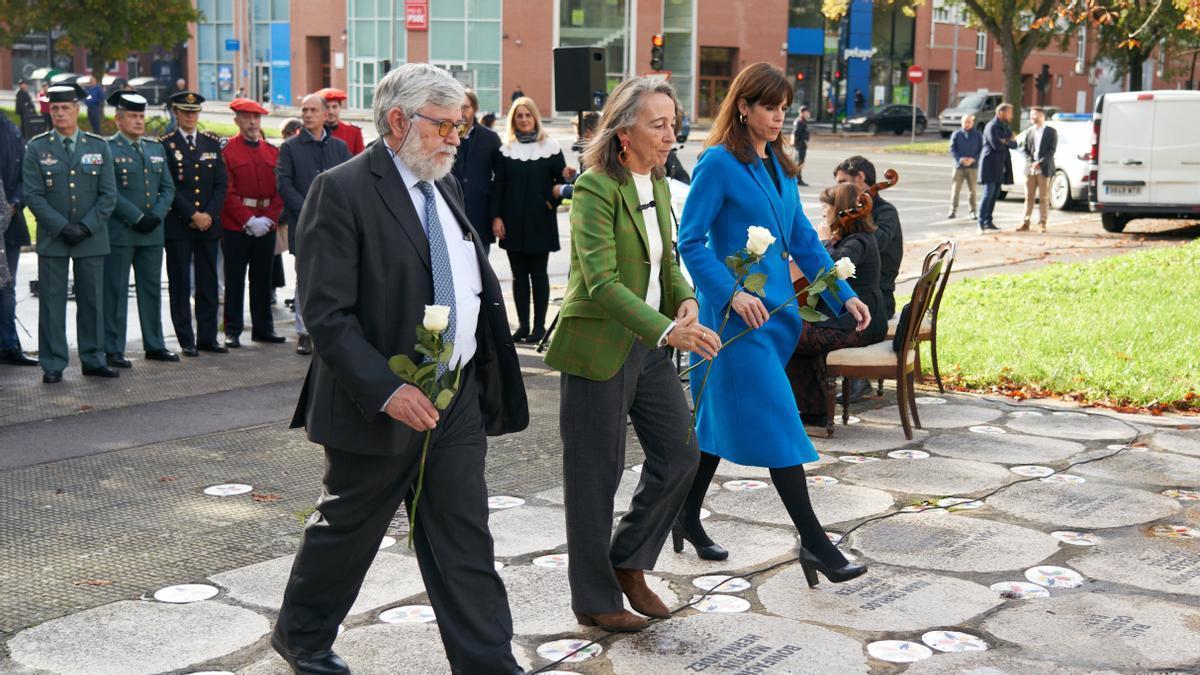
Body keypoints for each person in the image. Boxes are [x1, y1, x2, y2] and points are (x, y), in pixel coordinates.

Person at [273, 62, 529, 675]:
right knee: (349, 529)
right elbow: (326, 313)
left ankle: (487, 661)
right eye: (444, 126)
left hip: (455, 394)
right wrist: (387, 390)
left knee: (464, 532)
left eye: (459, 127)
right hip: (379, 401)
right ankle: (301, 636)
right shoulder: (342, 189)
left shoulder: (443, 180)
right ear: (397, 120)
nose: (455, 139)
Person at [676, 63, 869, 587]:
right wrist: (732, 294)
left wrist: (844, 295)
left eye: (784, 106)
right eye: (769, 106)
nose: (780, 115)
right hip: (732, 326)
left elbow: (804, 239)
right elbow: (690, 242)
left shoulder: (782, 165)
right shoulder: (717, 163)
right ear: (743, 107)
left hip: (776, 321)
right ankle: (816, 545)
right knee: (782, 425)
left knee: (716, 425)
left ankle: (685, 514)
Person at [543, 77, 720, 634]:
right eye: (659, 124)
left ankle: (627, 560)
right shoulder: (595, 187)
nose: (672, 135)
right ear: (624, 132)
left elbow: (665, 260)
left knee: (681, 454)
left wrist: (685, 298)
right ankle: (593, 598)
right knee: (595, 475)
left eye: (674, 123)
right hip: (598, 346)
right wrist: (670, 332)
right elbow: (599, 283)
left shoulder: (660, 183)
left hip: (647, 345)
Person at [22, 83, 118, 383]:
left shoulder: (98, 145)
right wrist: (61, 226)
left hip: (91, 237)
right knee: (51, 303)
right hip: (55, 237)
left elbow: (108, 195)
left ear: (77, 110)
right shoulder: (37, 148)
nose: (60, 113)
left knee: (92, 300)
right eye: (55, 109)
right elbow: (33, 196)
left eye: (66, 108)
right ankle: (52, 363)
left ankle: (93, 358)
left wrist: (86, 226)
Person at [786, 183, 887, 425]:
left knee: (790, 336)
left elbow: (832, 272)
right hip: (848, 321)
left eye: (826, 207)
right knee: (795, 334)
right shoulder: (853, 238)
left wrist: (822, 241)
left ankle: (816, 412)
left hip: (860, 325)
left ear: (840, 210)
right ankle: (815, 410)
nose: (823, 213)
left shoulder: (859, 241)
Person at [101, 91, 178, 368]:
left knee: (152, 290)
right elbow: (109, 192)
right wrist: (136, 217)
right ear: (118, 120)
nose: (138, 121)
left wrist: (156, 215)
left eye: (141, 116)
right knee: (115, 291)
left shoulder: (155, 148)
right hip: (121, 232)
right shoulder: (108, 149)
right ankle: (113, 347)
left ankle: (155, 344)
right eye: (132, 116)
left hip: (152, 233)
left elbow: (167, 188)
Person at [490, 96, 572, 343]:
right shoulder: (505, 150)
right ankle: (523, 326)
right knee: (518, 276)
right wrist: (496, 217)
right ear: (513, 120)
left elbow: (562, 183)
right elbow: (498, 186)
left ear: (535, 117)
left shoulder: (551, 147)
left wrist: (550, 201)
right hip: (512, 222)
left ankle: (539, 327)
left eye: (527, 115)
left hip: (540, 221)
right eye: (519, 115)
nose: (524, 119)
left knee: (538, 275)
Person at [276, 92, 352, 356]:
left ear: (324, 115)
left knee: (336, 276)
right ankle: (304, 333)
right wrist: (309, 209)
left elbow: (349, 182)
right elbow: (284, 184)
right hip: (304, 224)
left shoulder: (339, 147)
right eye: (304, 110)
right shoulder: (290, 147)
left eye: (312, 110)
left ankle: (334, 329)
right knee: (306, 279)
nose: (307, 115)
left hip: (336, 224)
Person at [161, 90, 229, 357]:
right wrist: (192, 215)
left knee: (208, 283)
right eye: (185, 112)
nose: (190, 116)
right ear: (176, 113)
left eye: (194, 112)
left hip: (209, 225)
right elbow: (168, 187)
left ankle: (208, 337)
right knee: (180, 284)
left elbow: (221, 183)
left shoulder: (211, 142)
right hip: (180, 225)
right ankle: (186, 339)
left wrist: (208, 215)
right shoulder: (166, 144)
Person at [222, 97, 285, 347]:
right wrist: (247, 219)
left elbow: (281, 188)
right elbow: (226, 191)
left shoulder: (272, 151)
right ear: (237, 120)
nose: (252, 122)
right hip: (237, 224)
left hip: (266, 222)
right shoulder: (227, 151)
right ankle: (233, 330)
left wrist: (269, 219)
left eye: (256, 117)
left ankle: (263, 328)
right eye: (247, 117)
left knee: (262, 279)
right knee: (234, 279)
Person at [0, 111, 37, 366]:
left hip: (8, 222)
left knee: (6, 288)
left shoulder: (10, 130)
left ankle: (8, 345)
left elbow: (26, 176)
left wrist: (14, 204)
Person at [451, 88, 502, 256]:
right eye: (457, 107)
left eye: (465, 107)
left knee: (480, 270)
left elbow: (500, 178)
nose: (461, 112)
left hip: (480, 216)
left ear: (475, 108)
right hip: (451, 214)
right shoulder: (444, 135)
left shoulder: (490, 138)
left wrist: (496, 215)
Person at [978, 102, 1017, 232]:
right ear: (1001, 113)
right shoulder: (991, 126)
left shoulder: (1005, 128)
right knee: (988, 194)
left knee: (995, 194)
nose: (1011, 115)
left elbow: (1014, 144)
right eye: (1009, 112)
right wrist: (1007, 141)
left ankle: (988, 221)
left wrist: (1005, 141)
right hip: (989, 166)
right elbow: (996, 145)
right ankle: (981, 221)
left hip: (1000, 166)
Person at [1020, 106, 1057, 233]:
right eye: (1031, 115)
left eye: (1034, 115)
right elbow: (1023, 149)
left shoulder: (1051, 132)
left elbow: (1051, 151)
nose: (1031, 117)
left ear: (1041, 116)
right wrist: (1032, 163)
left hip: (1044, 169)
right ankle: (1025, 222)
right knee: (1028, 196)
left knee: (1043, 197)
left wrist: (1040, 163)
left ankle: (1042, 223)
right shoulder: (1029, 131)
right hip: (1030, 169)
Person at [948, 113, 982, 220]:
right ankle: (952, 210)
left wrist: (973, 159)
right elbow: (952, 149)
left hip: (972, 167)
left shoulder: (978, 135)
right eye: (965, 122)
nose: (967, 124)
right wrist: (960, 159)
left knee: (972, 191)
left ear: (972, 123)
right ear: (961, 123)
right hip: (959, 167)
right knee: (955, 190)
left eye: (969, 122)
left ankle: (973, 211)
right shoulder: (957, 134)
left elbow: (981, 149)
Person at [317, 88, 366, 155]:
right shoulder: (314, 133)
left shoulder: (354, 132)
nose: (331, 112)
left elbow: (360, 160)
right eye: (327, 107)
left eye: (334, 107)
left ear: (340, 108)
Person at [792, 105, 811, 186]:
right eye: (807, 112)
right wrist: (796, 144)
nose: (809, 114)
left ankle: (797, 178)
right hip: (800, 145)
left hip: (802, 144)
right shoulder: (800, 121)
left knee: (800, 162)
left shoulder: (802, 121)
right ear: (802, 113)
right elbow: (795, 133)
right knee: (799, 162)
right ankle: (797, 179)